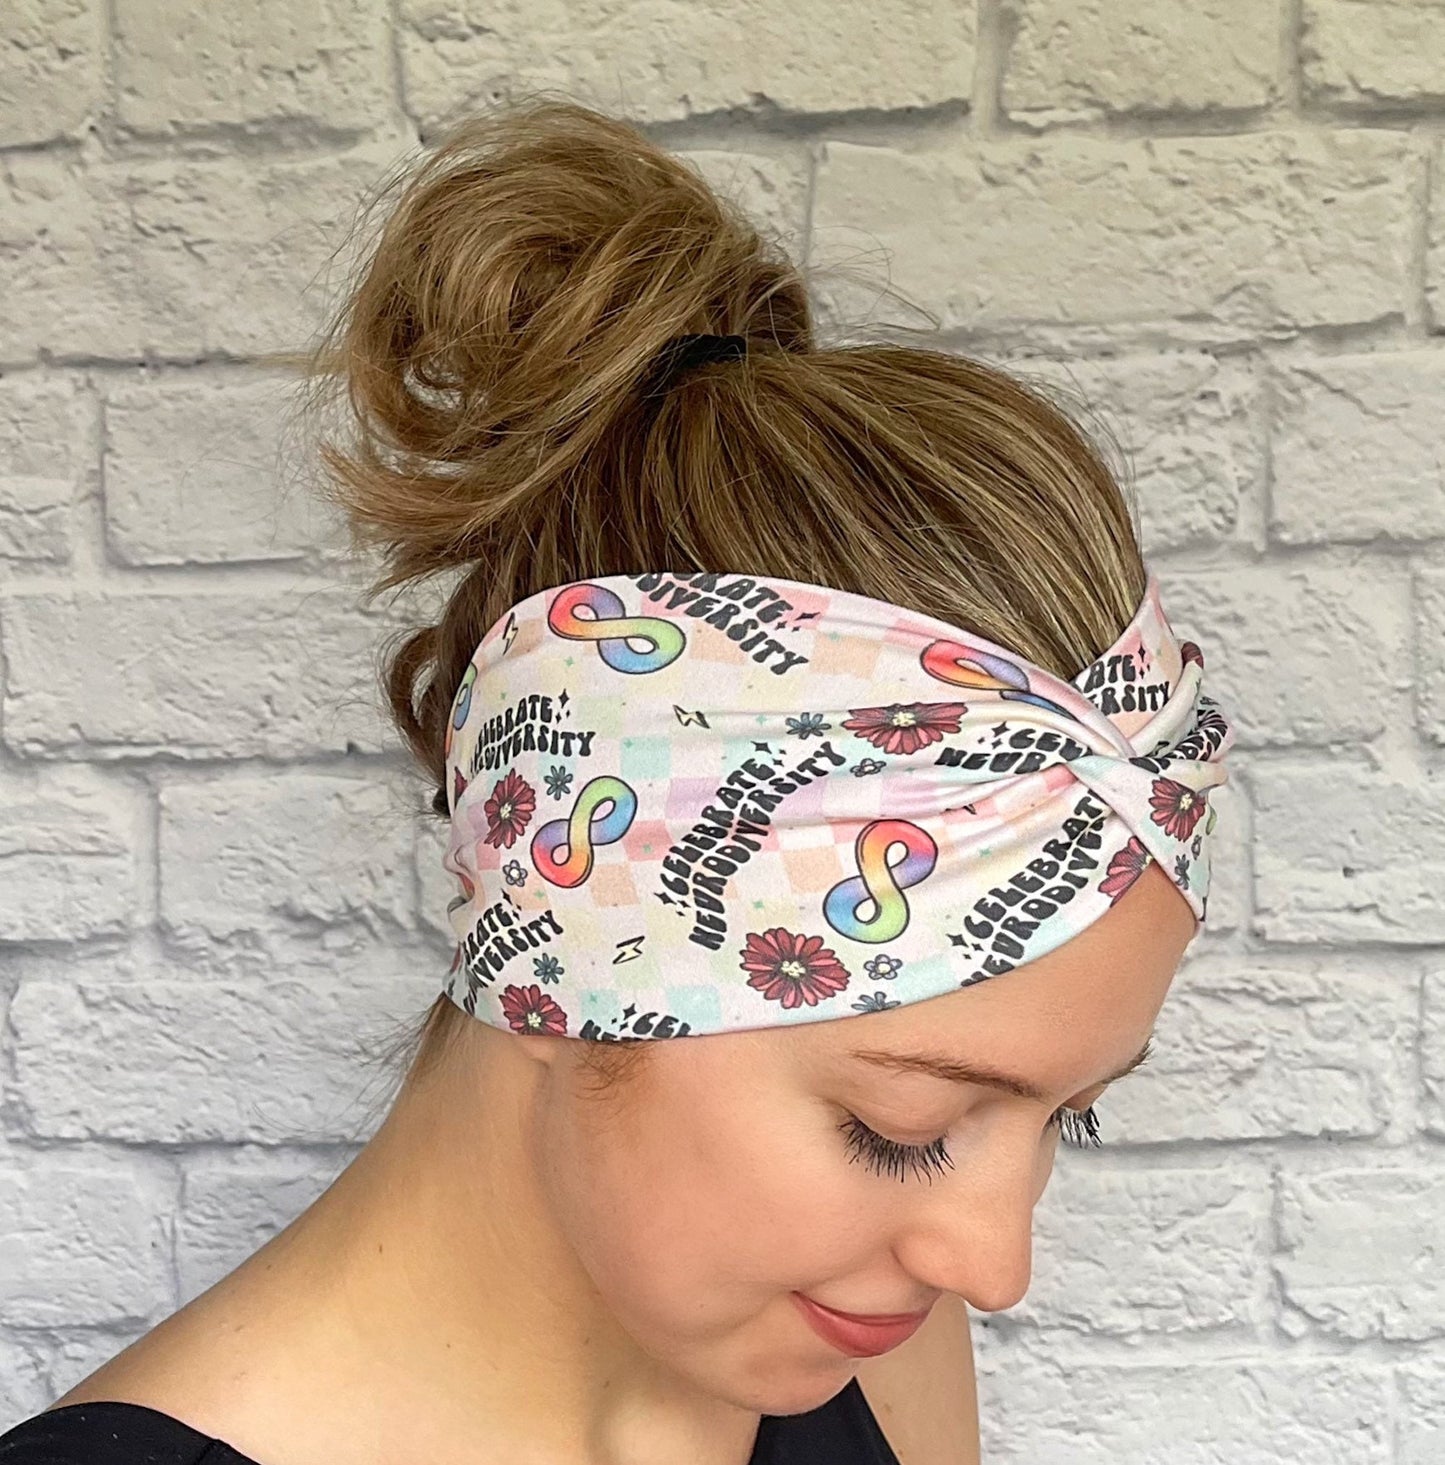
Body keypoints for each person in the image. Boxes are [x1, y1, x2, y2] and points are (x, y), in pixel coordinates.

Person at [0, 94, 1233, 1465]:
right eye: (902, 1130)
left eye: (1070, 1111)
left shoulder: (856, 1339)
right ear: (565, 957)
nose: (991, 1262)